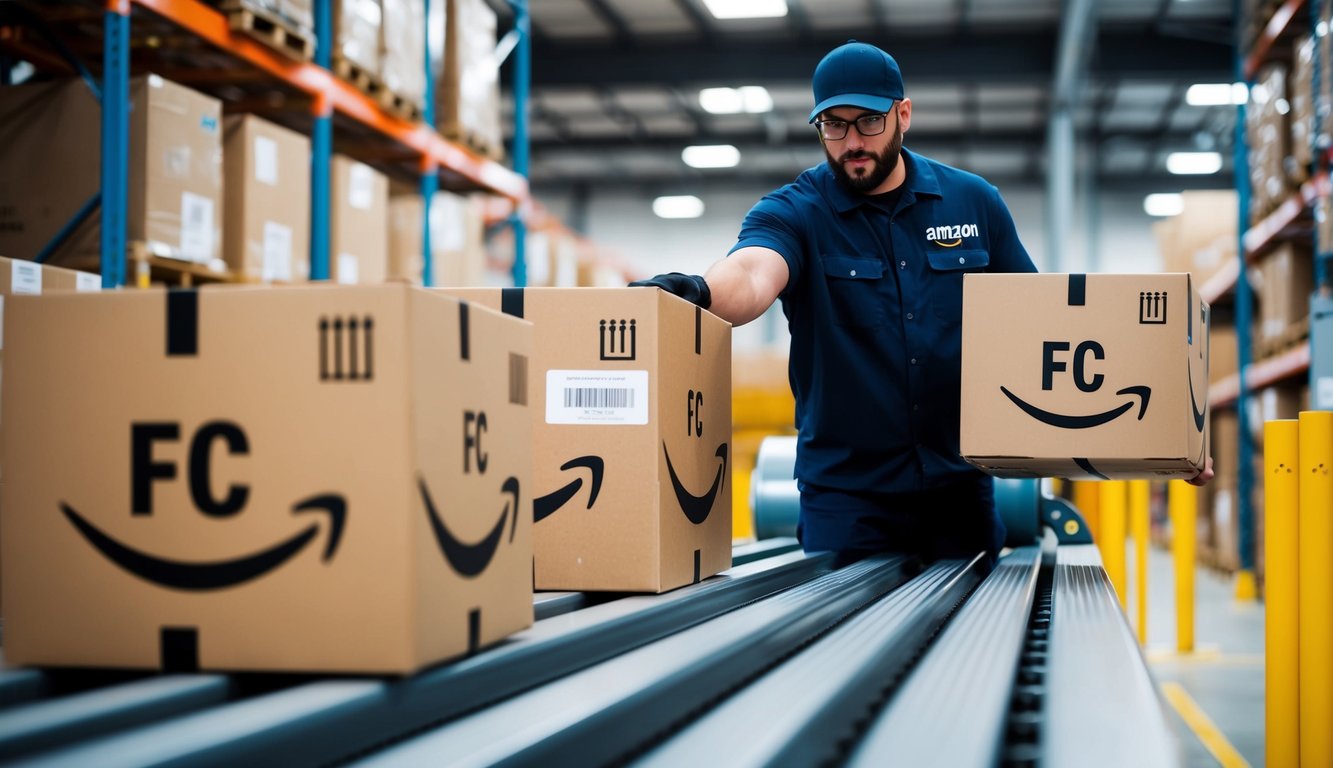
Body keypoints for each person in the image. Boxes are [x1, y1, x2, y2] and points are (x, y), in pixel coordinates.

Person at [632, 41, 1212, 568]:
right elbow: (754, 272)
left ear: (903, 115)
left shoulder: (972, 203)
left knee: (975, 653)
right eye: (833, 126)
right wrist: (701, 293)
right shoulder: (797, 212)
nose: (852, 143)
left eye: (868, 122)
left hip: (959, 490)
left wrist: (1163, 445)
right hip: (847, 501)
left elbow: (1050, 330)